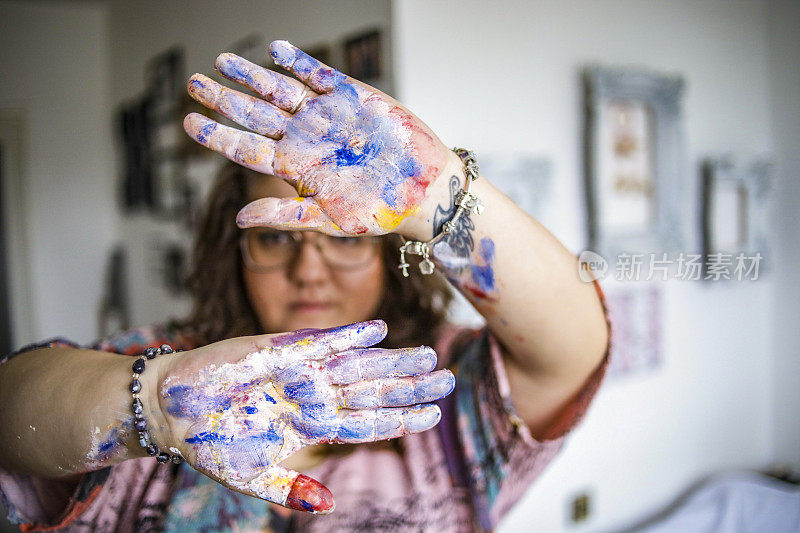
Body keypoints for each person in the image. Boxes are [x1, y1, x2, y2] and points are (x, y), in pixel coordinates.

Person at [0, 40, 610, 532]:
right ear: (233, 252)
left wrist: (435, 196)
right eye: (276, 238)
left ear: (389, 249)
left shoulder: (445, 383)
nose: (309, 270)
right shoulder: (166, 362)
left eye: (344, 238)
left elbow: (574, 351)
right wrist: (157, 407)